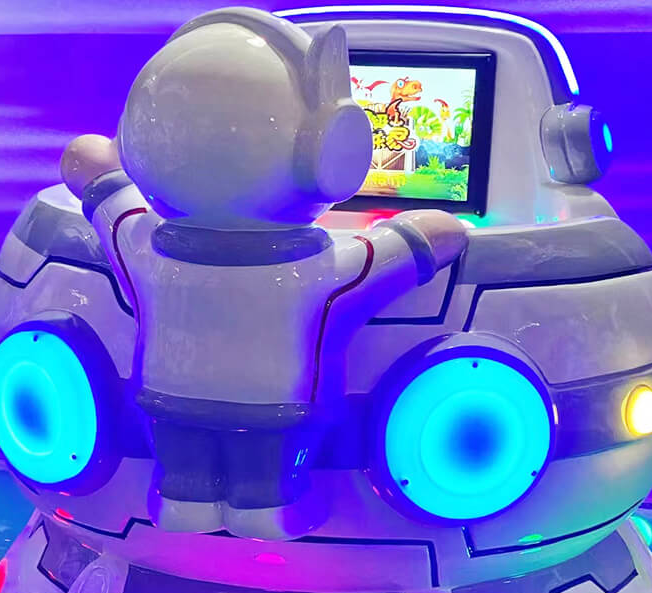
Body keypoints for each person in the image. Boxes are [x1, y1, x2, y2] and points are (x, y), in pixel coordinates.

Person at [60, 7, 467, 540]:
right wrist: (423, 233)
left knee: (184, 478)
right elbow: (412, 247)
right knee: (268, 489)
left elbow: (99, 184)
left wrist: (102, 173)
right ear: (329, 151)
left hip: (169, 403)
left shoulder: (142, 247)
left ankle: (185, 501)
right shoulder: (319, 271)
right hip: (276, 411)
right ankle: (268, 510)